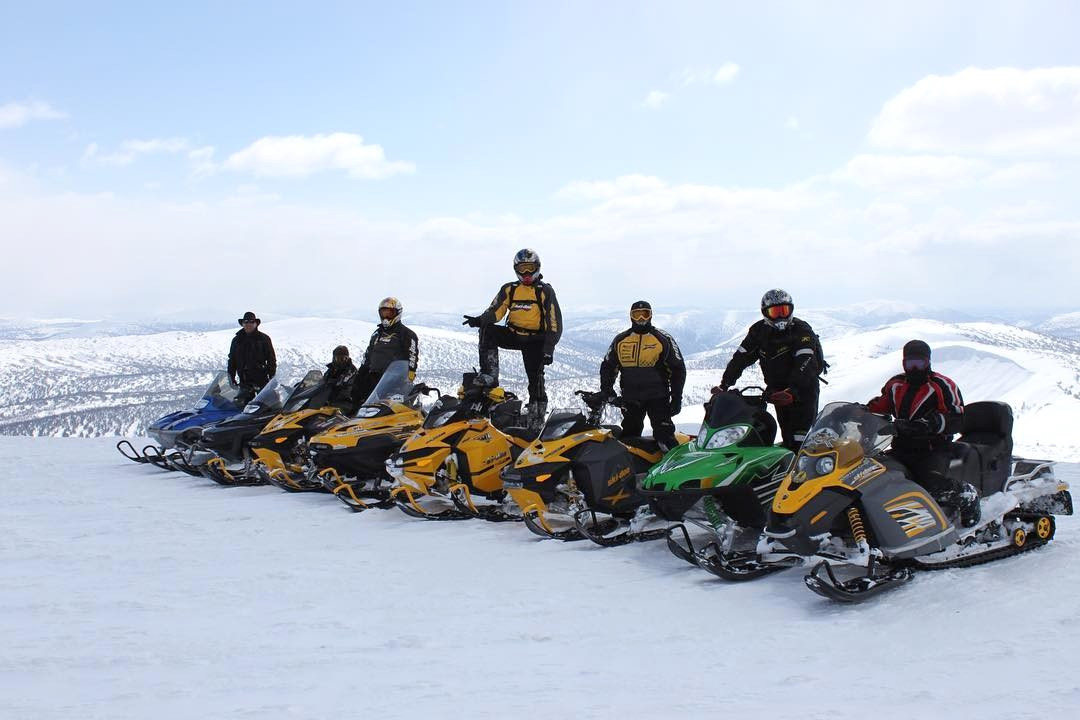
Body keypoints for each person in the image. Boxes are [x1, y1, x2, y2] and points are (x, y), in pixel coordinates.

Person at [867, 339, 980, 528]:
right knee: (873, 476)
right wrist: (859, 411)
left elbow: (956, 419)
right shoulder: (896, 384)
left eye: (919, 363)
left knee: (930, 483)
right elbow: (882, 404)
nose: (914, 368)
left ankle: (967, 496)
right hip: (900, 447)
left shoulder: (942, 385)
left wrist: (926, 425)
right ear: (904, 363)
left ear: (928, 362)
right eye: (910, 363)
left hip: (933, 448)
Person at [463, 248, 563, 429]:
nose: (526, 273)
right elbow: (496, 310)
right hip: (514, 334)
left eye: (530, 268)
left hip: (535, 341)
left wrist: (548, 349)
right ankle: (489, 374)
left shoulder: (545, 291)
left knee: (536, 380)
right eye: (523, 268)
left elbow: (554, 323)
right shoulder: (510, 289)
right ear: (516, 269)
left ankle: (536, 418)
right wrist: (480, 320)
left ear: (537, 268)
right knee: (488, 330)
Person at [715, 289, 823, 451]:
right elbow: (740, 358)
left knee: (801, 438)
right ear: (765, 313)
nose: (780, 316)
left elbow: (805, 364)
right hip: (778, 391)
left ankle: (806, 470)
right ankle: (787, 469)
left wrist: (792, 391)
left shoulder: (802, 331)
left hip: (803, 390)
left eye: (784, 311)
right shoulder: (759, 332)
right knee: (787, 434)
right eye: (775, 312)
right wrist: (724, 385)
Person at [599, 301, 685, 451]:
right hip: (631, 399)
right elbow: (608, 366)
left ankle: (674, 469)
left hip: (658, 398)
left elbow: (678, 369)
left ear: (651, 315)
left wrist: (677, 397)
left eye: (644, 314)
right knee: (628, 442)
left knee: (665, 439)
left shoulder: (663, 339)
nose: (641, 319)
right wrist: (607, 390)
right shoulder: (621, 340)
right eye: (636, 315)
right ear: (631, 317)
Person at [351, 297, 419, 404]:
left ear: (397, 313)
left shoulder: (406, 334)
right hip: (373, 378)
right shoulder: (376, 334)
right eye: (384, 313)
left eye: (389, 313)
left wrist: (408, 378)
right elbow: (368, 356)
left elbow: (412, 358)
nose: (386, 316)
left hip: (393, 380)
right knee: (359, 404)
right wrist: (359, 377)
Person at [228, 311, 277, 405]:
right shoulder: (237, 340)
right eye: (246, 322)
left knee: (267, 404)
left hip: (261, 378)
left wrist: (271, 375)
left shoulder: (264, 339)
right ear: (242, 324)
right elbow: (232, 360)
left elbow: (271, 358)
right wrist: (231, 377)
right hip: (244, 379)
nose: (248, 324)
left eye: (251, 322)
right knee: (243, 407)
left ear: (256, 323)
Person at [324, 345, 358, 411]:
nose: (340, 361)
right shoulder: (331, 370)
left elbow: (345, 384)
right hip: (327, 401)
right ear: (334, 358)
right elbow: (322, 382)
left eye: (343, 358)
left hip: (345, 402)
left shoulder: (351, 371)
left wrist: (334, 383)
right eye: (338, 358)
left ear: (347, 358)